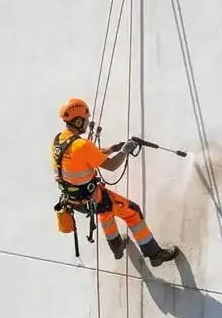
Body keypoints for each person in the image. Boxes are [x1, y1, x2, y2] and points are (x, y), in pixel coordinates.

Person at [52, 98, 182, 267]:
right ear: (78, 120)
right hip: (91, 197)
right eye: (85, 120)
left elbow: (87, 154)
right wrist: (125, 151)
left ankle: (117, 248)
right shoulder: (82, 145)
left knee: (105, 213)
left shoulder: (60, 140)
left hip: (74, 200)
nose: (86, 124)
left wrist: (114, 148)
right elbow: (112, 166)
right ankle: (155, 254)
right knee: (132, 212)